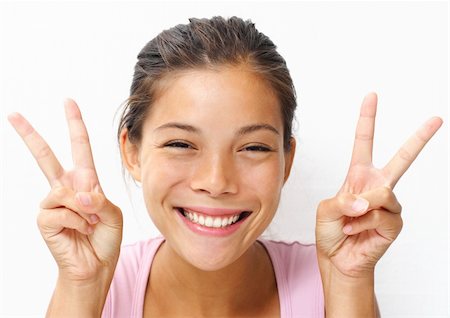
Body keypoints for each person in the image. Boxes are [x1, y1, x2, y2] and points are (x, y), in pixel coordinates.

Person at [7, 16, 442, 317]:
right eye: (181, 143)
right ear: (132, 151)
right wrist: (81, 287)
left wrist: (349, 284)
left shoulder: (333, 280)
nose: (216, 182)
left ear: (287, 161)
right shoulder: (94, 283)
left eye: (253, 148)